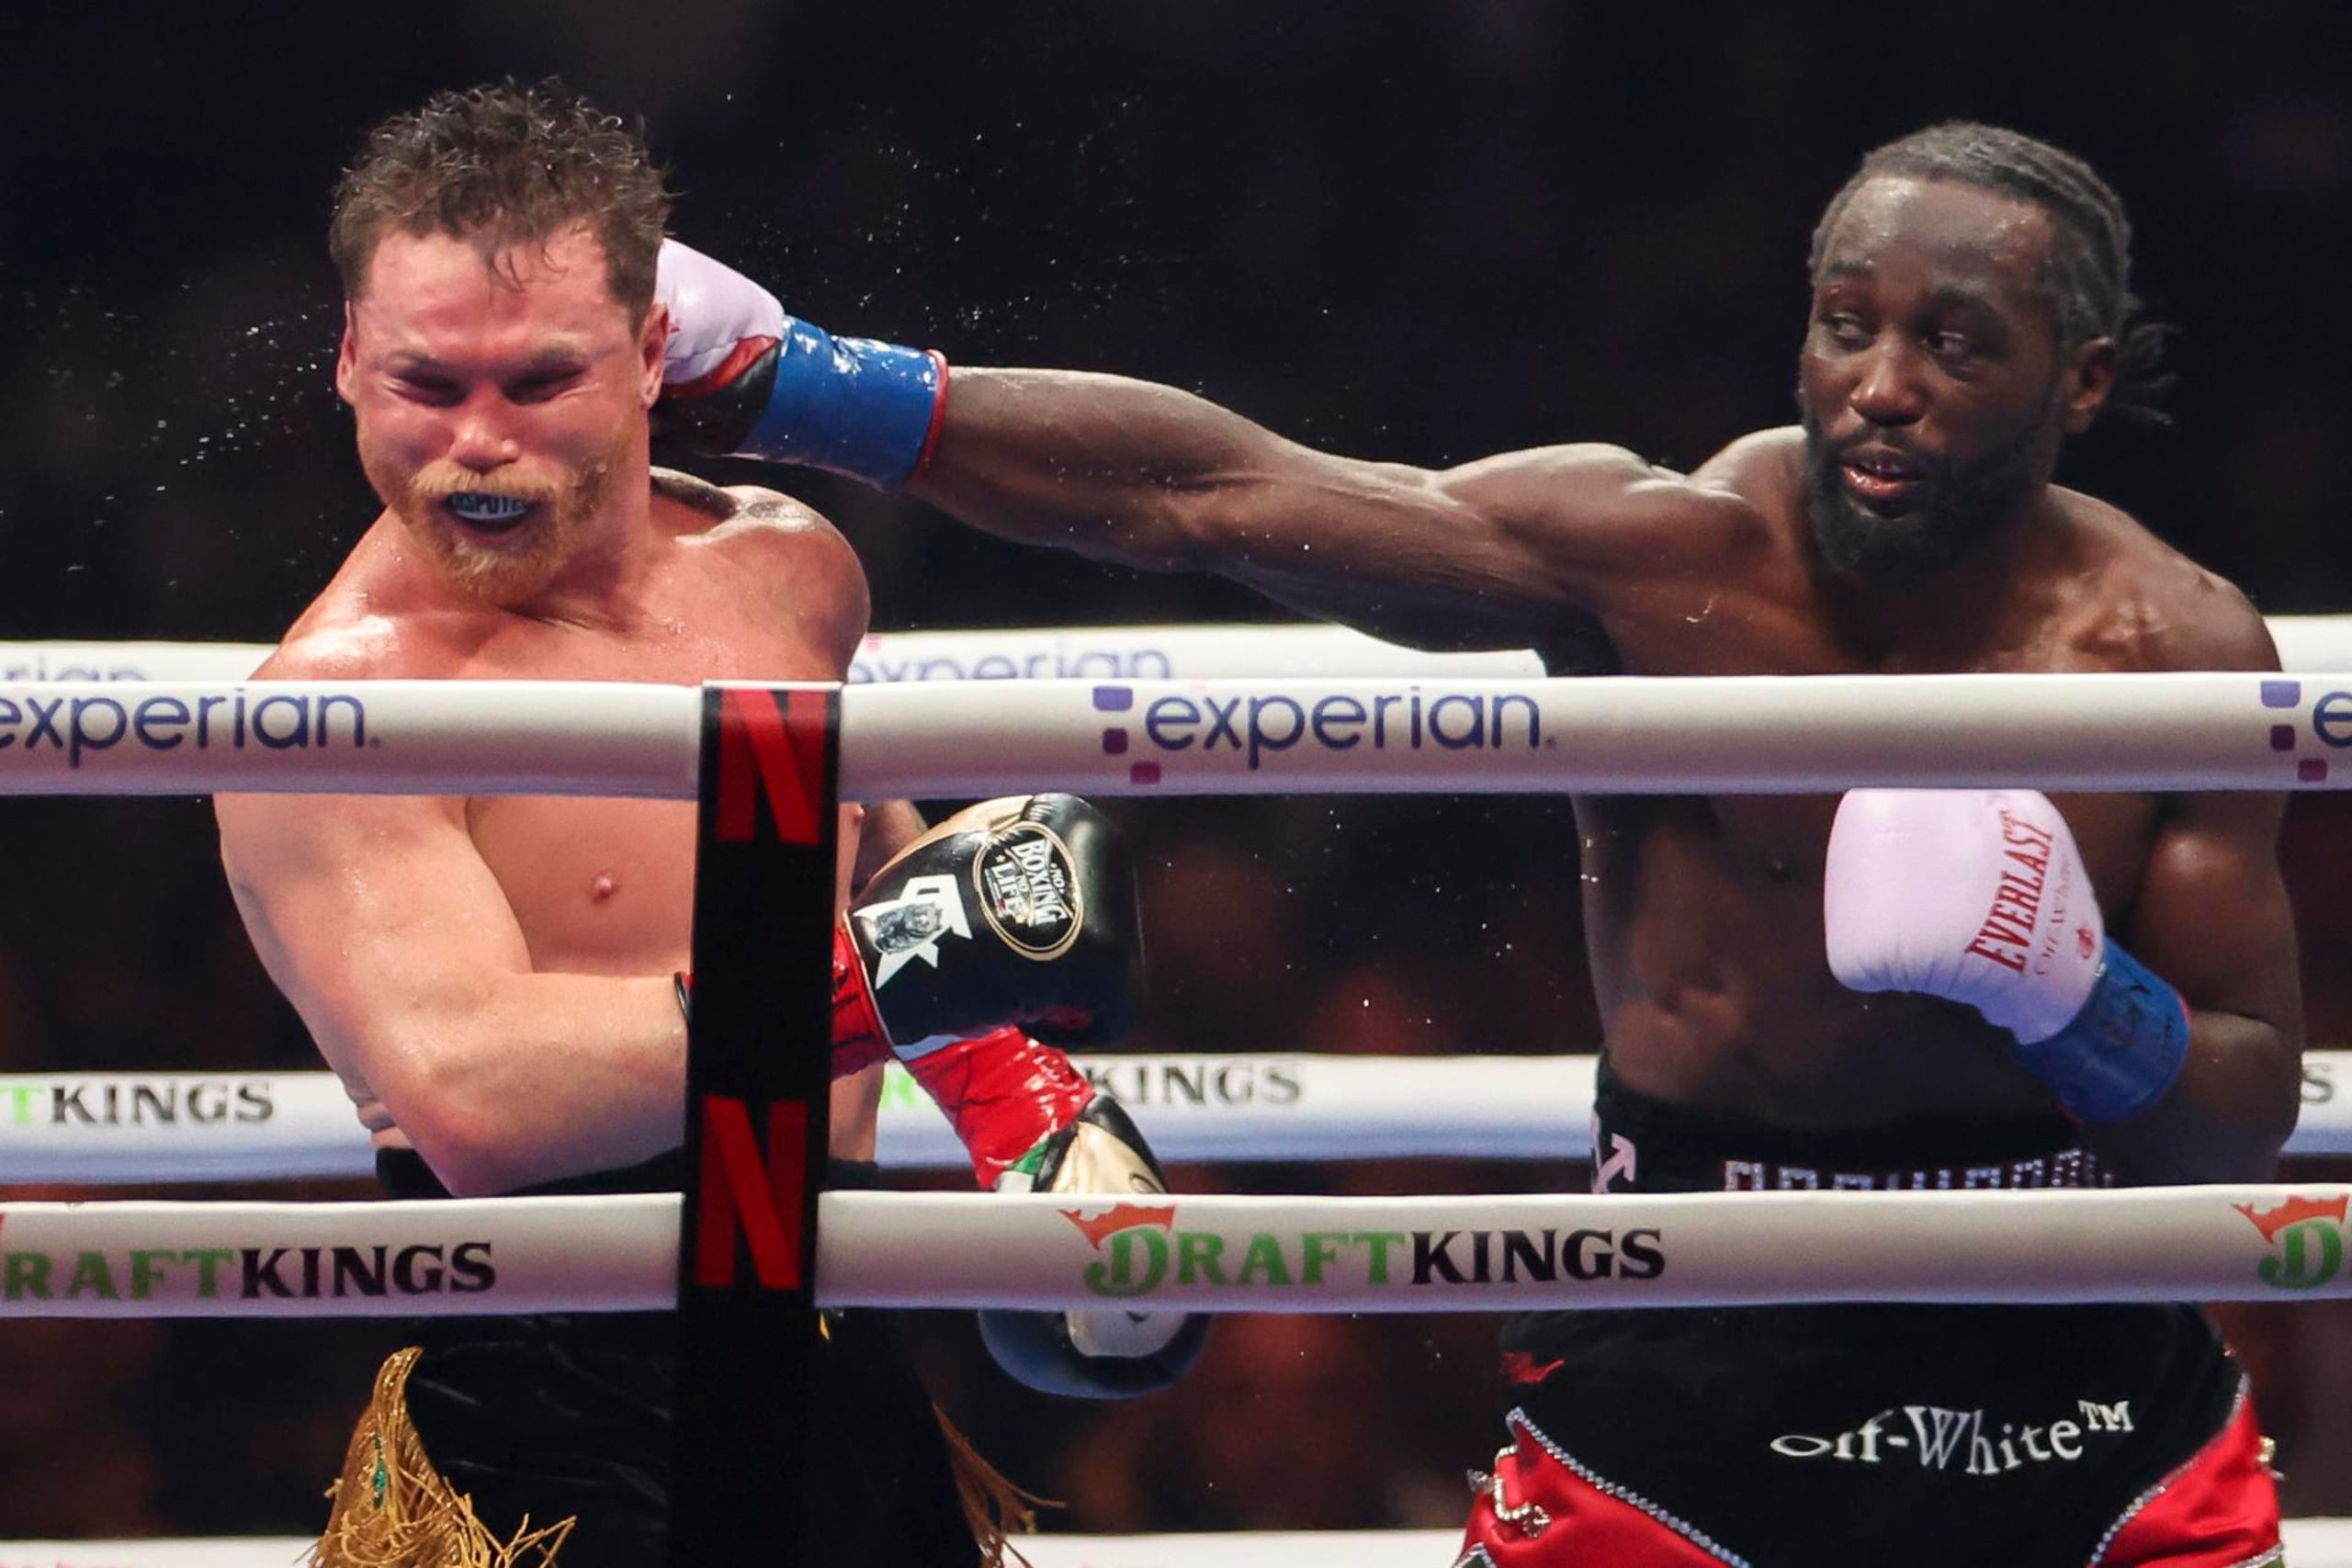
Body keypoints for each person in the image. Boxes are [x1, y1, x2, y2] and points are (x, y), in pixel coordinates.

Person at [659, 124, 2304, 1564]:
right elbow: (1216, 495)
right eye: (1846, 326)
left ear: (2080, 376)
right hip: (1699, 1301)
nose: (1880, 388)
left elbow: (2237, 1115)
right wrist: (803, 386)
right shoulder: (1672, 564)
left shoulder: (2173, 649)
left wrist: (2076, 994)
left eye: (1956, 344)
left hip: (2072, 1333)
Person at [213, 81, 1203, 1568]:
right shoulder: (342, 705)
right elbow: (480, 1104)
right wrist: (903, 976)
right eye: (428, 386)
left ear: (652, 353)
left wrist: (1031, 1112)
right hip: (549, 1420)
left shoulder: (785, 570)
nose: (478, 443)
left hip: (846, 1355)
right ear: (349, 359)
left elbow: (881, 873)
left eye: (539, 383)